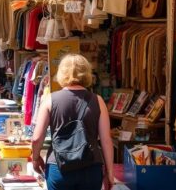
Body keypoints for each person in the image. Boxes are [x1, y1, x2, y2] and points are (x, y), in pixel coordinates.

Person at [31, 54, 114, 190]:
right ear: (86, 73)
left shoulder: (50, 100)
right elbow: (106, 140)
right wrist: (110, 172)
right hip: (90, 167)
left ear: (61, 73)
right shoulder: (98, 101)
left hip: (59, 166)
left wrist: (35, 158)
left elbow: (36, 138)